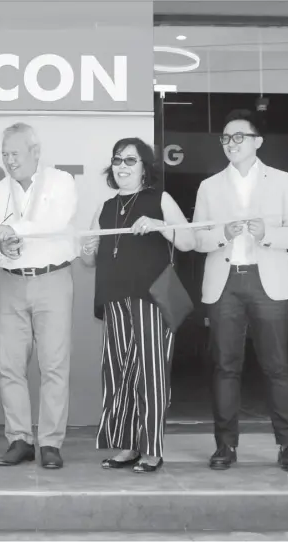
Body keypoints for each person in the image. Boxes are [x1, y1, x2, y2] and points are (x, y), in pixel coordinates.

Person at [193, 109, 288, 473]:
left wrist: (265, 234)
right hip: (225, 283)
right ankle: (225, 445)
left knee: (277, 366)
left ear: (258, 142)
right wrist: (222, 234)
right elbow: (197, 238)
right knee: (225, 366)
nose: (230, 144)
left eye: (238, 137)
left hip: (268, 280)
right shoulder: (209, 186)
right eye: (225, 138)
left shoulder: (282, 180)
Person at [80, 138, 195, 473]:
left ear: (145, 167)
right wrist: (88, 248)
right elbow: (89, 261)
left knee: (152, 375)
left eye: (131, 160)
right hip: (114, 299)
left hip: (151, 299)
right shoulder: (103, 207)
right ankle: (127, 446)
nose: (122, 166)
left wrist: (162, 225)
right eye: (117, 160)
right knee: (118, 373)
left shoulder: (160, 199)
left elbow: (189, 242)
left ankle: (152, 449)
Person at [0, 123, 76, 469]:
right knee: (9, 366)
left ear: (35, 152)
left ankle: (50, 443)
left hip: (53, 279)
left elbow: (55, 221)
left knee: (54, 365)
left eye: (15, 153)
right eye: (4, 154)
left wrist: (13, 229)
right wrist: (0, 247)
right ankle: (19, 439)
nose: (8, 160)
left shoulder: (61, 182)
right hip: (10, 281)